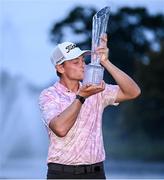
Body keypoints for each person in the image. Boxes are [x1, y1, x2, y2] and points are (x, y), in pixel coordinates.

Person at [38, 34, 141, 179]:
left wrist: (106, 62)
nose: (83, 65)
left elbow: (133, 92)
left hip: (96, 173)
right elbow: (60, 129)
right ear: (60, 68)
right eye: (75, 62)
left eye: (82, 60)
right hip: (62, 173)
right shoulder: (49, 95)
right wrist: (81, 96)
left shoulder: (95, 90)